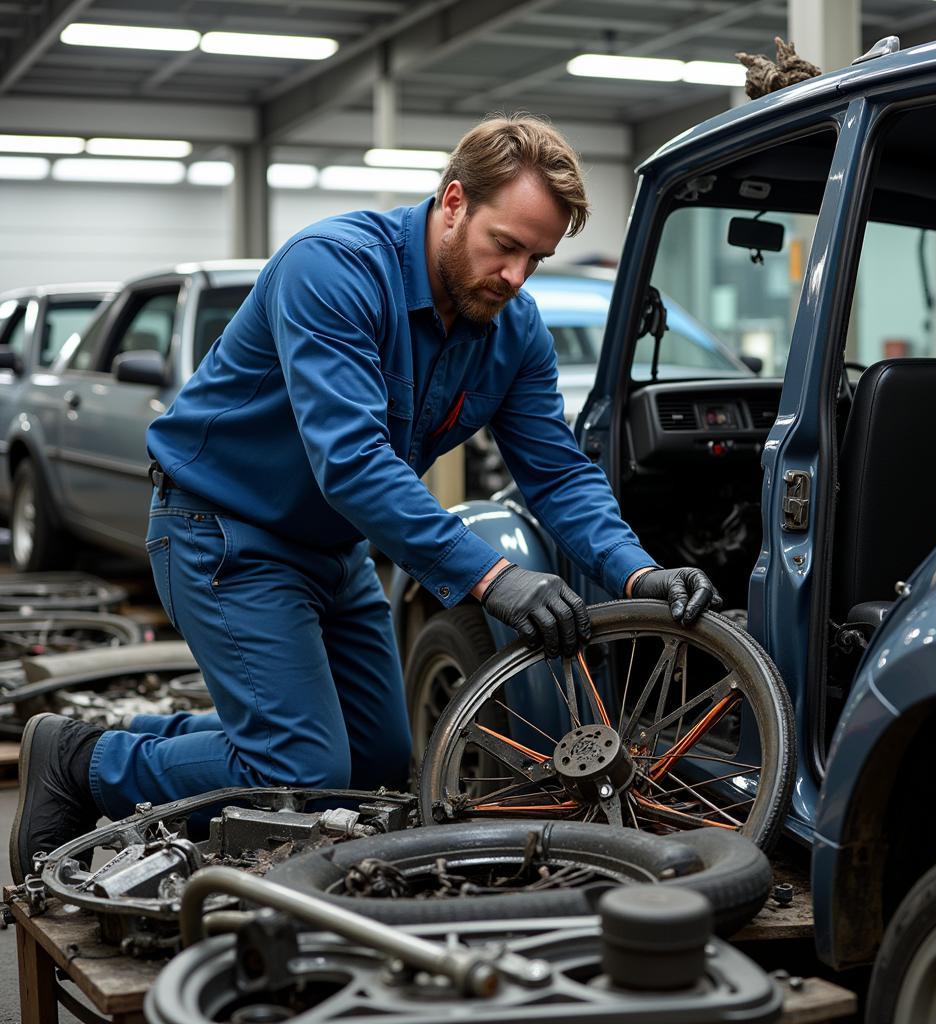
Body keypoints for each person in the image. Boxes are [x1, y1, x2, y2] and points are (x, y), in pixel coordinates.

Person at [10, 114, 719, 882]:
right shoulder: (334, 270)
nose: (516, 276)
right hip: (222, 529)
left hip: (333, 548)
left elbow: (558, 472)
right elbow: (349, 461)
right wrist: (493, 577)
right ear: (453, 202)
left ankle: (154, 743)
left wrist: (636, 573)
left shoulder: (512, 331)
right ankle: (85, 760)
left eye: (536, 259)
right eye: (505, 246)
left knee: (374, 764)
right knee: (303, 768)